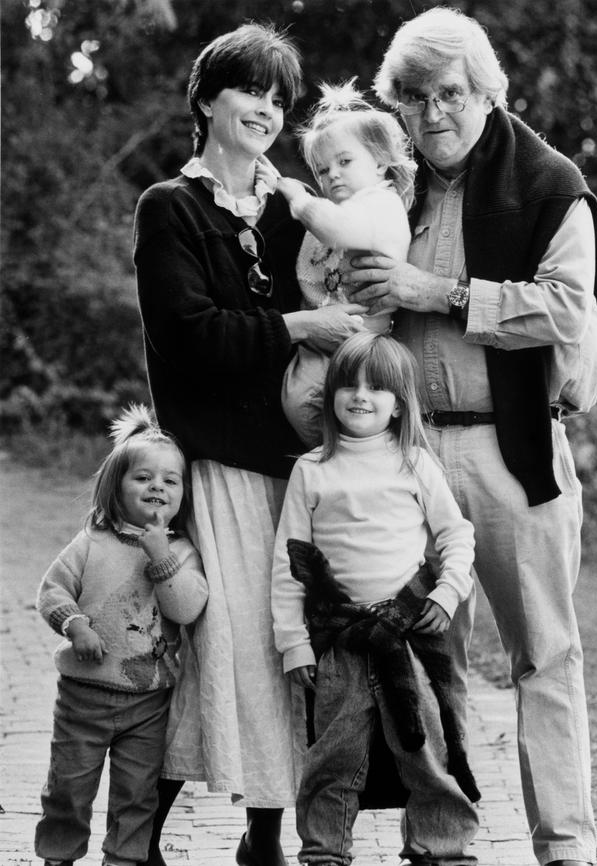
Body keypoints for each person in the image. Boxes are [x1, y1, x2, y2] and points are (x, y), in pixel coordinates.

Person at [343, 8, 597, 866]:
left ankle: (566, 845)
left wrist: (447, 293)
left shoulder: (548, 180)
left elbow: (571, 307)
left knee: (544, 654)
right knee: (425, 651)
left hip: (512, 446)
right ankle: (441, 840)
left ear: (487, 94)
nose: (431, 114)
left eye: (449, 94)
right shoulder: (392, 185)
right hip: (409, 455)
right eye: (413, 97)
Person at [133, 22, 366, 866]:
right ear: (205, 100)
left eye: (278, 97)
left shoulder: (290, 207)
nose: (266, 108)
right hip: (217, 462)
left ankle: (264, 837)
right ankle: (139, 838)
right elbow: (188, 334)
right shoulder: (170, 207)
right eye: (249, 90)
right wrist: (300, 323)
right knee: (214, 651)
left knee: (290, 649)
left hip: (301, 464)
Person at [271, 332, 479, 866]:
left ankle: (441, 846)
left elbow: (456, 535)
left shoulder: (414, 464)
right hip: (338, 639)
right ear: (332, 393)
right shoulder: (312, 468)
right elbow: (289, 563)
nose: (361, 396)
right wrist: (294, 644)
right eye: (349, 385)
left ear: (398, 403)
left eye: (377, 388)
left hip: (406, 636)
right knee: (333, 755)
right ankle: (324, 850)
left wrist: (449, 590)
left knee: (426, 748)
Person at [34, 404, 208, 866]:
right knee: (69, 786)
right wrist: (75, 624)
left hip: (147, 702)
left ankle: (124, 859)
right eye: (143, 478)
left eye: (170, 481)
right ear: (116, 486)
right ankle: (58, 854)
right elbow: (52, 589)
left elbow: (187, 608)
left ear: (183, 495)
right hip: (82, 698)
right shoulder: (93, 540)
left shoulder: (183, 552)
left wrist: (161, 557)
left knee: (137, 795)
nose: (157, 487)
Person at [275, 80, 416, 447]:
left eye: (345, 161)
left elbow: (338, 231)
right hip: (322, 338)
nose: (332, 174)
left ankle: (348, 460)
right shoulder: (340, 208)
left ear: (382, 163)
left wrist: (298, 199)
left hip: (360, 342)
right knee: (298, 401)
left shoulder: (380, 204)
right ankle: (335, 459)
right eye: (321, 170)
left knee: (329, 409)